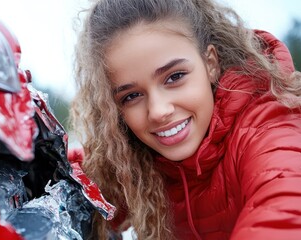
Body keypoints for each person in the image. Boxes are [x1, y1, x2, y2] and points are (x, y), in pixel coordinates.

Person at [69, 0, 301, 239]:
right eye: (132, 96)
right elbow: (78, 176)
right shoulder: (134, 160)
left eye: (175, 77)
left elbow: (287, 207)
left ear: (210, 63)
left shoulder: (268, 128)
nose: (158, 111)